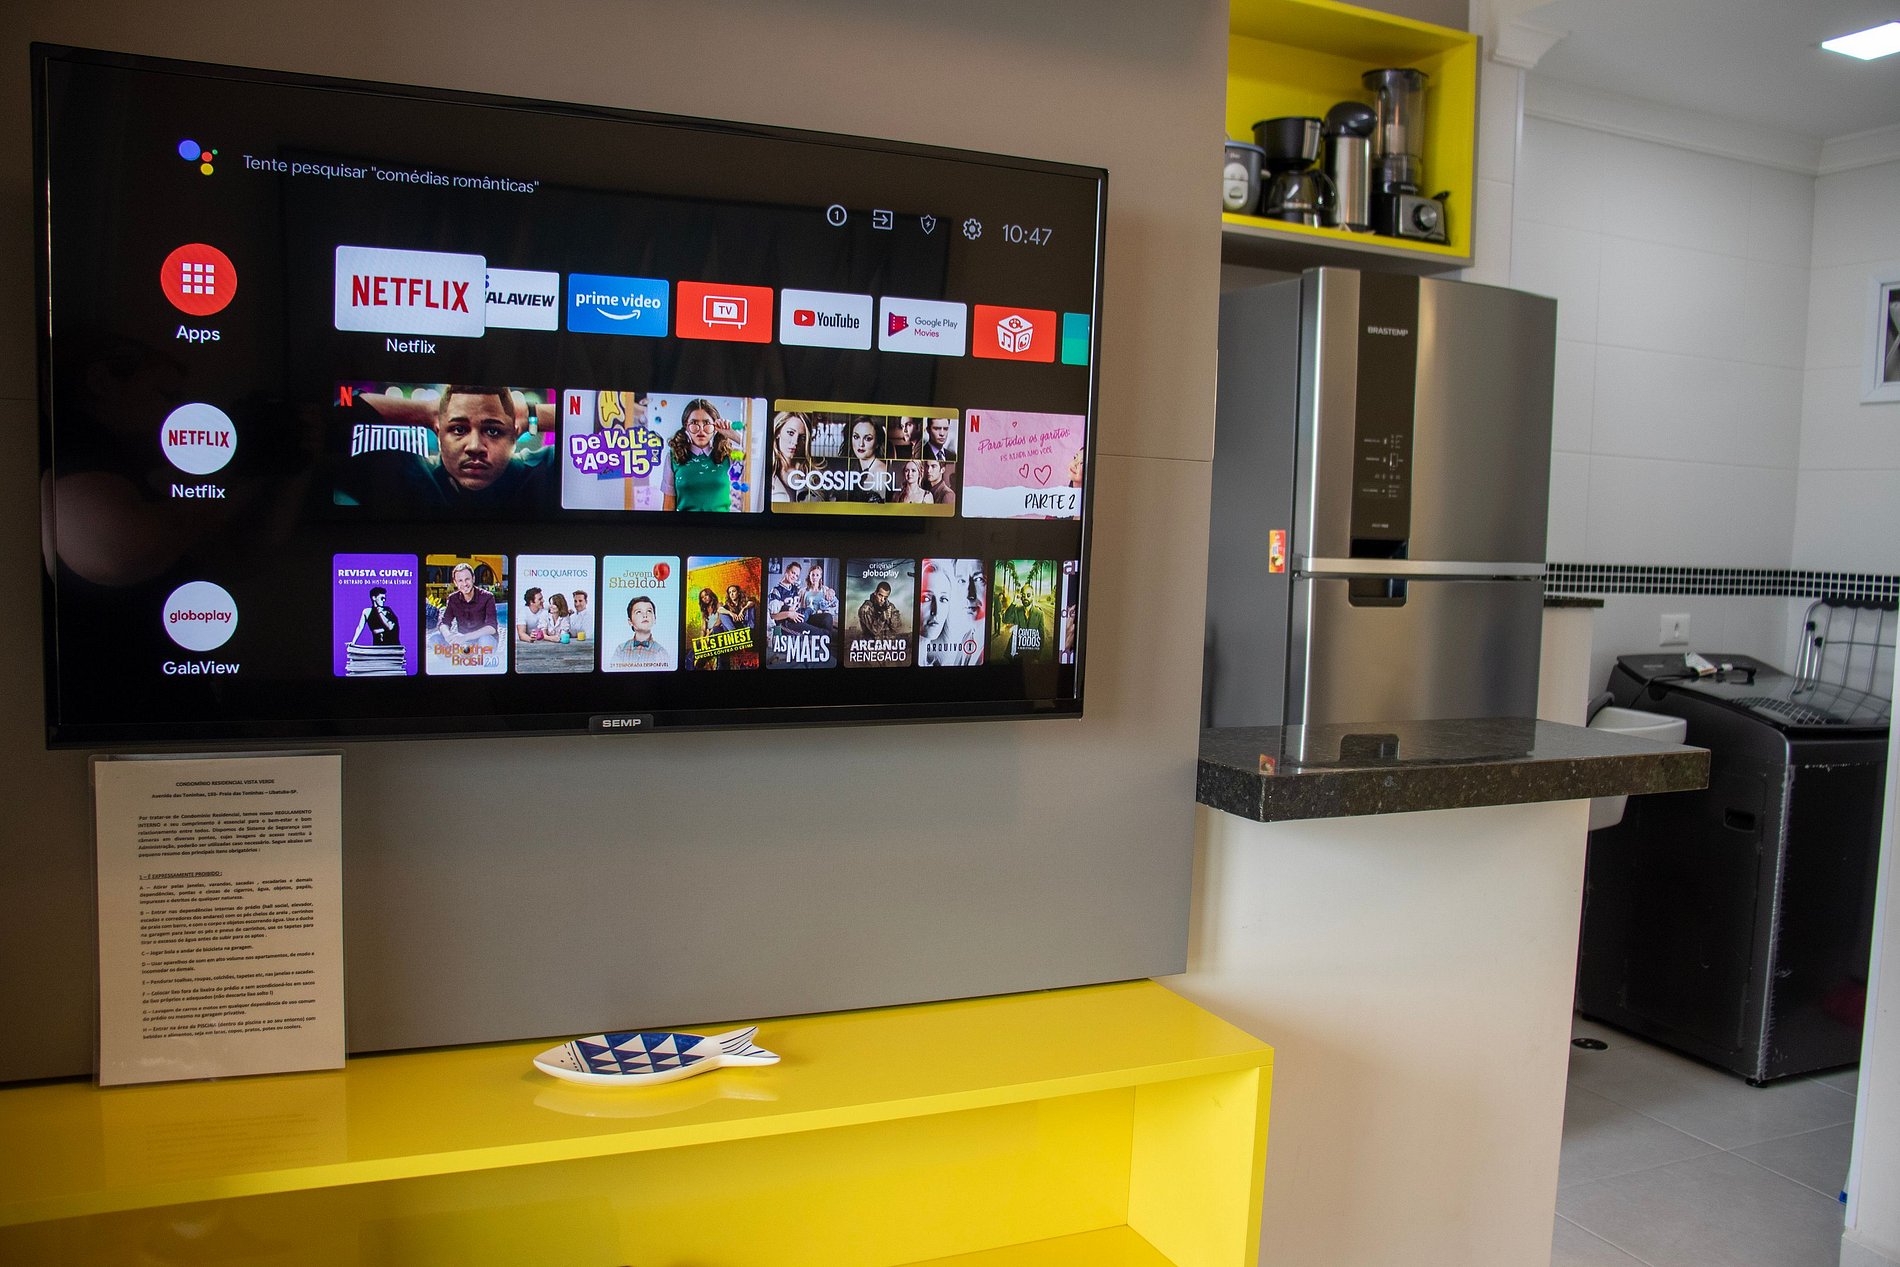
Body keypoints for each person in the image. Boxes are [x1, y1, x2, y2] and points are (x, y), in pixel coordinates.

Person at [661, 398, 742, 512]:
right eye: (694, 423)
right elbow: (668, 506)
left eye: (706, 423)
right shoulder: (673, 457)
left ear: (715, 426)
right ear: (686, 426)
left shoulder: (728, 454)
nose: (701, 430)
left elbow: (757, 460)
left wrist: (735, 436)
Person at [768, 411, 826, 503]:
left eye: (802, 437)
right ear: (778, 432)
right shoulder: (764, 471)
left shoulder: (815, 474)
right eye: (790, 433)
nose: (795, 442)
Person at [438, 562, 497, 647]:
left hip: (483, 639)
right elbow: (444, 622)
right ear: (455, 582)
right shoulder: (453, 598)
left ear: (473, 579)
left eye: (467, 579)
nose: (464, 584)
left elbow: (492, 627)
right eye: (460, 580)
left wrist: (465, 637)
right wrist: (448, 636)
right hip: (463, 642)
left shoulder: (487, 597)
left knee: (485, 640)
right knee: (435, 638)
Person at [611, 595, 671, 668]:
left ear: (655, 619)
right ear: (630, 621)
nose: (645, 615)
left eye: (649, 611)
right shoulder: (621, 650)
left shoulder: (660, 652)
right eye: (639, 612)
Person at [842, 416, 890, 503]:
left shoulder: (881, 472)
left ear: (877, 443)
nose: (861, 444)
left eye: (868, 439)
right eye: (856, 437)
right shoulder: (853, 466)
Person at [693, 586, 737, 670]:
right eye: (702, 597)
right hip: (709, 634)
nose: (704, 598)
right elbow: (703, 628)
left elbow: (719, 621)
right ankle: (697, 666)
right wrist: (702, 638)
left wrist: (708, 634)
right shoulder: (704, 610)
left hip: (718, 631)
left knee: (717, 634)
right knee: (697, 646)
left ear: (710, 595)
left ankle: (721, 666)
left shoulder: (718, 604)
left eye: (706, 595)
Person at [768, 561, 807, 632]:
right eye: (793, 573)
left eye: (797, 576)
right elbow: (773, 616)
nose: (794, 577)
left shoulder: (795, 589)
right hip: (784, 624)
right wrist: (789, 614)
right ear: (787, 570)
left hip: (796, 619)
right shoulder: (776, 591)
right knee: (818, 631)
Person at [802, 564, 838, 630]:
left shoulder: (826, 590)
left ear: (820, 576)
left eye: (817, 575)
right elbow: (799, 607)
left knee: (828, 617)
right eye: (813, 575)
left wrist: (826, 609)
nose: (814, 577)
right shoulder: (803, 591)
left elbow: (834, 604)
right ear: (809, 576)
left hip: (821, 616)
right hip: (808, 617)